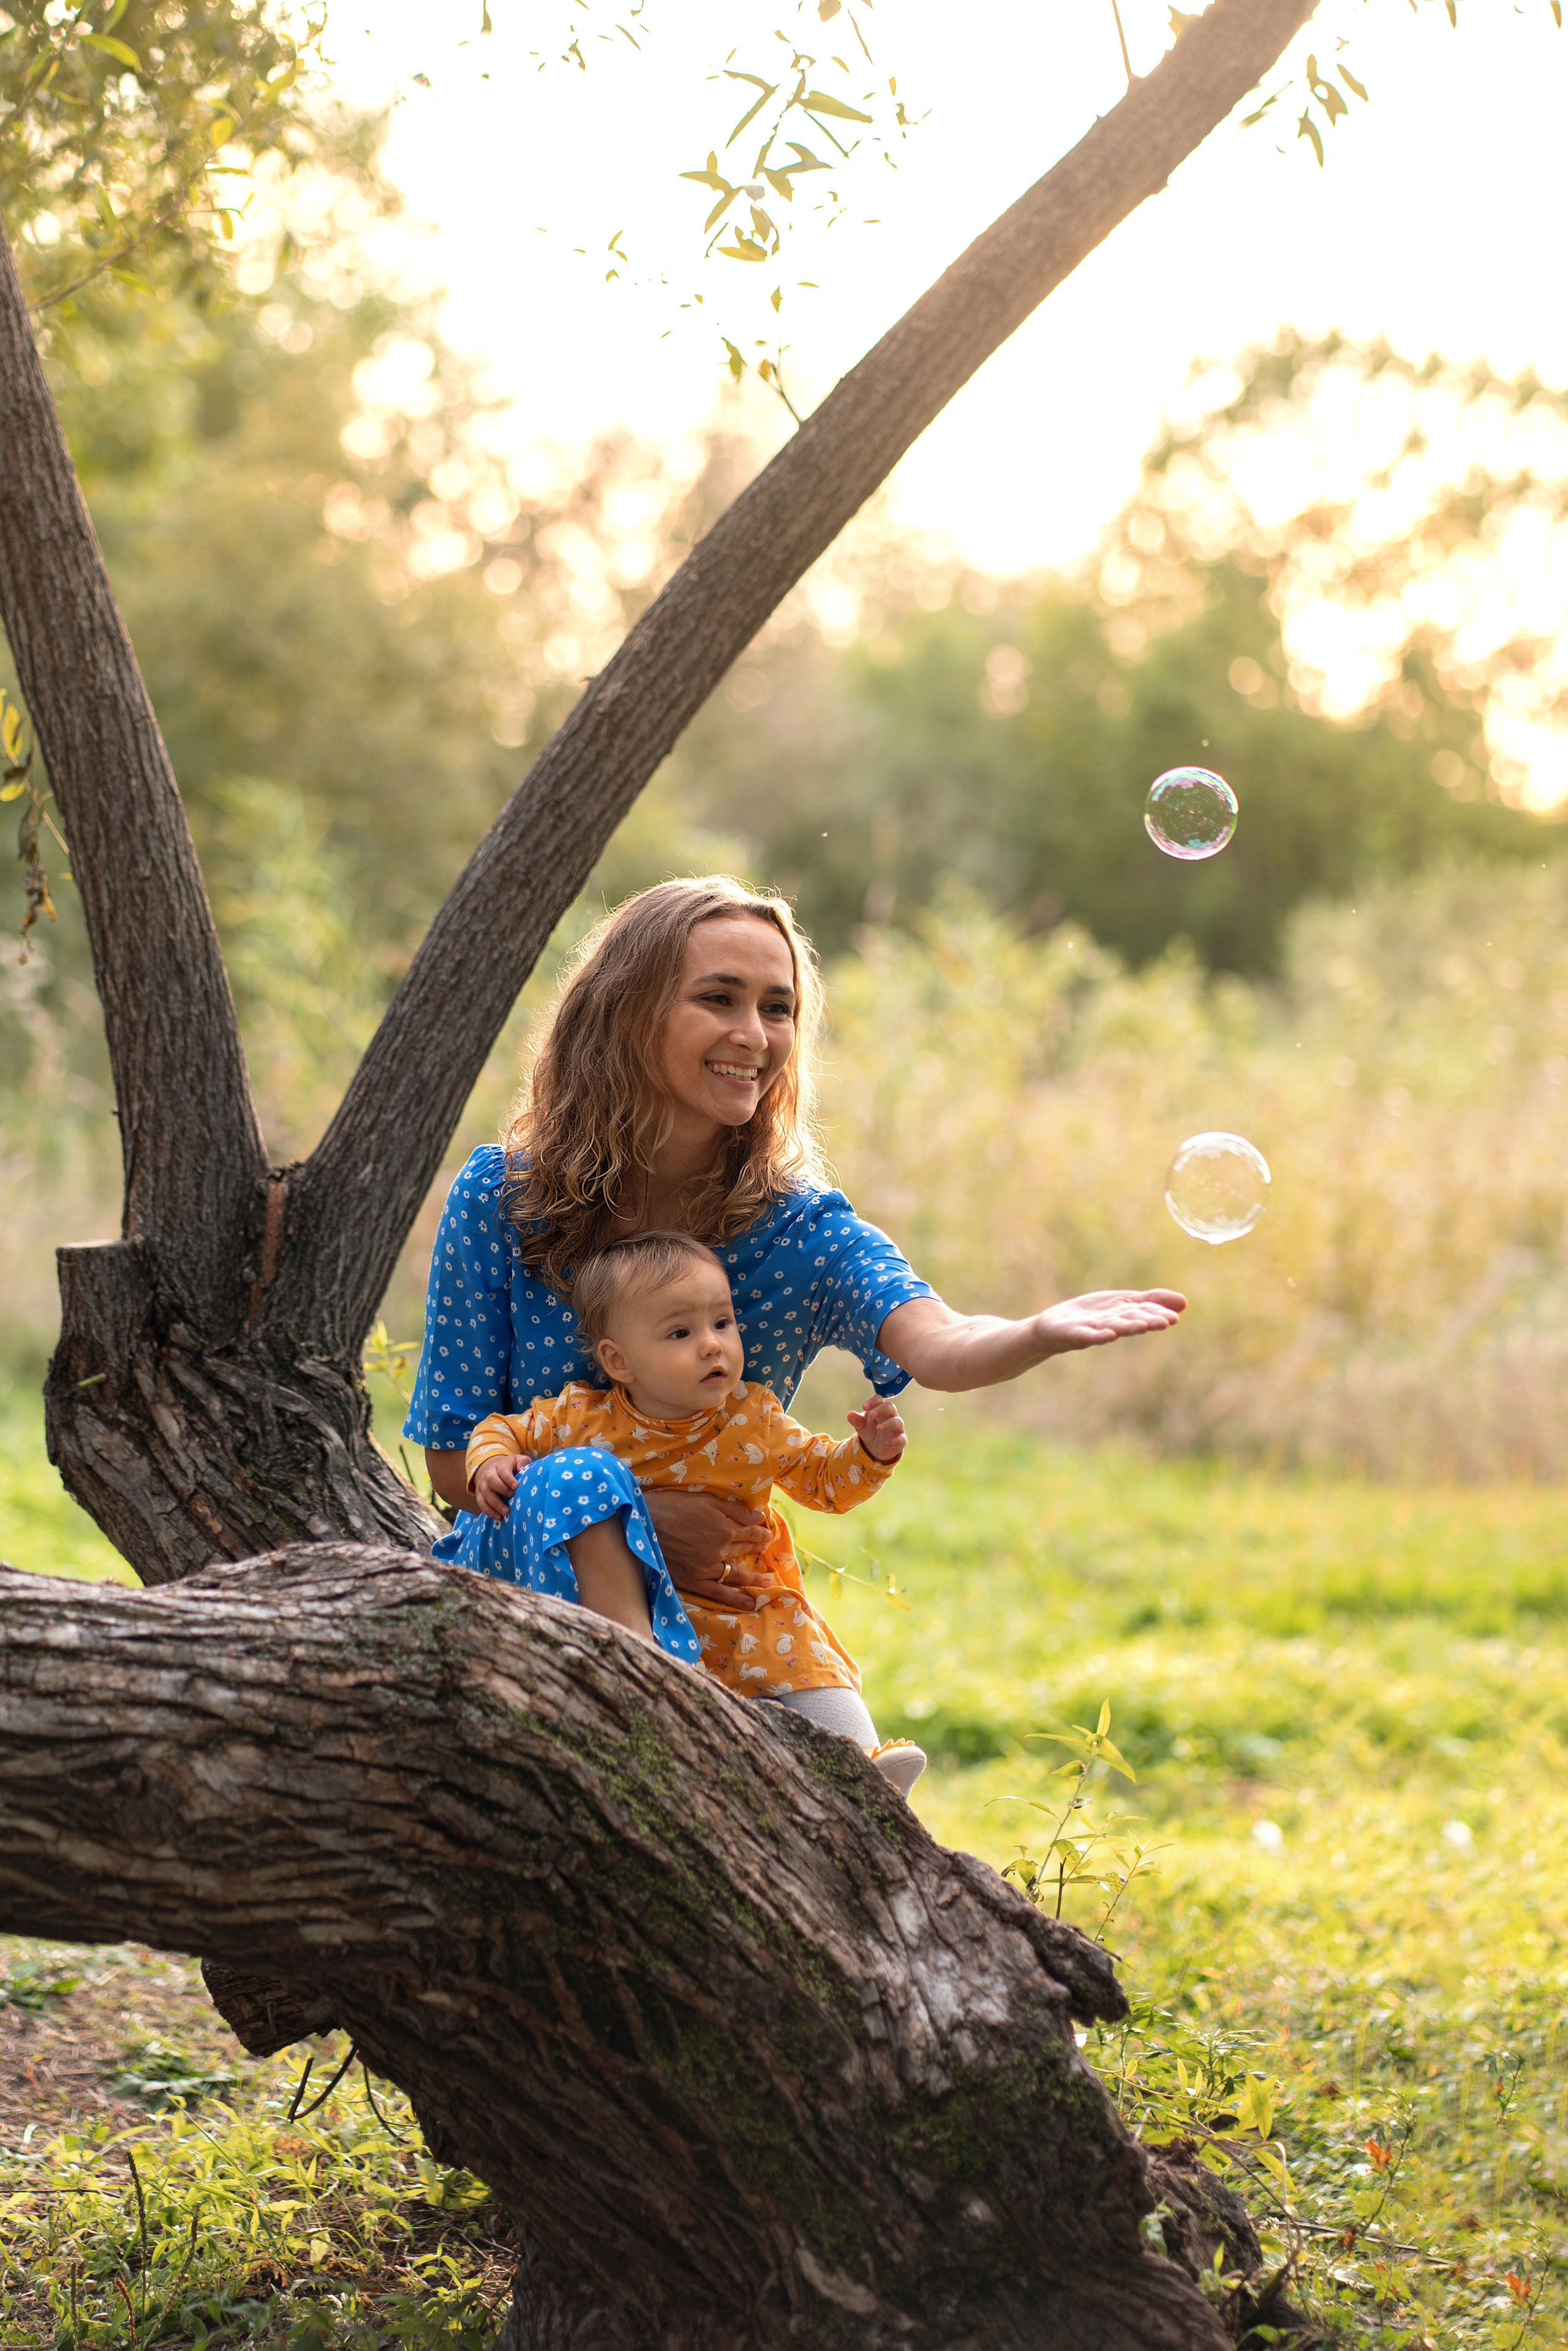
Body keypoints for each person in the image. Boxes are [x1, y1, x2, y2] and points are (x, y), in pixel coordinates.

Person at [406, 875, 1184, 1674]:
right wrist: (629, 1515)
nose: (754, 1033)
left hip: (719, 1614)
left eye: (777, 1008)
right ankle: (642, 1715)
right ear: (626, 1011)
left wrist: (1033, 1333)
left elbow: (939, 1340)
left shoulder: (797, 1230)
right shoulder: (507, 1199)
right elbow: (447, 1456)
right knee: (577, 1474)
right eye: (720, 998)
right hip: (518, 1591)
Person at [461, 1228, 928, 1794]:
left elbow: (824, 1481)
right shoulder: (583, 1420)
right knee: (719, 1730)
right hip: (648, 1608)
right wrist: (490, 1462)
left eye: (722, 1323)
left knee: (808, 1664)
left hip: (745, 1604)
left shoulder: (752, 1417)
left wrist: (869, 1454)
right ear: (619, 1361)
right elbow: (500, 1429)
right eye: (681, 1332)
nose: (712, 1345)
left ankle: (867, 1770)